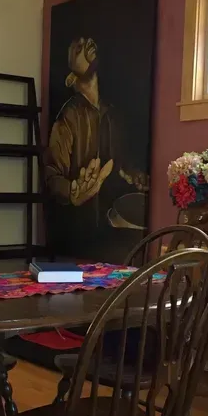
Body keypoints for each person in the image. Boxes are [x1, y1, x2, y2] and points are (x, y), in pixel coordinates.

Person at [44, 37, 148, 260]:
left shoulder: (114, 115)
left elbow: (122, 163)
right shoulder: (69, 116)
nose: (86, 43)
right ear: (71, 76)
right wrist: (72, 191)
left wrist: (134, 174)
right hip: (79, 241)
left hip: (115, 239)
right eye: (78, 47)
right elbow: (52, 175)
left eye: (88, 42)